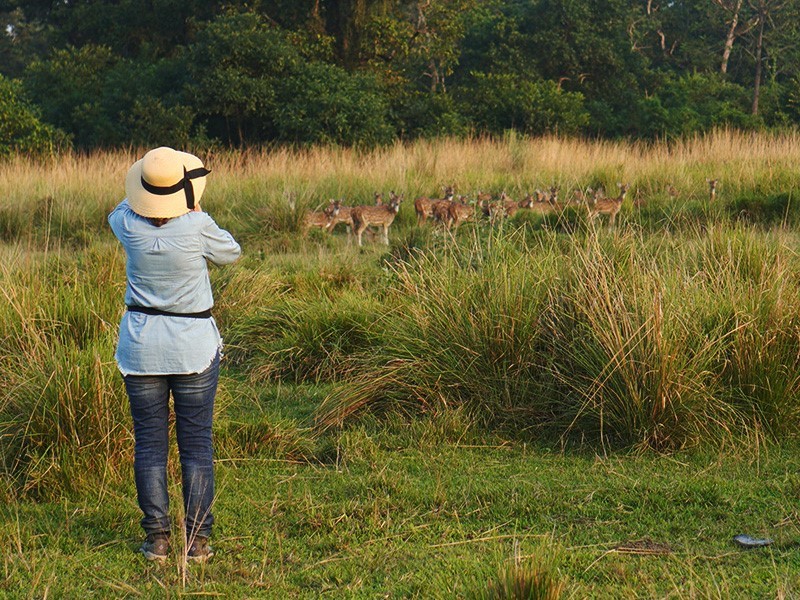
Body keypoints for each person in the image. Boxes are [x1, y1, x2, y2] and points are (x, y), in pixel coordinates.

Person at [108, 147, 241, 562]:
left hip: (141, 347)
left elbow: (123, 207)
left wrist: (153, 195)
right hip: (193, 346)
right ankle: (198, 541)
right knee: (196, 443)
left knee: (149, 445)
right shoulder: (198, 224)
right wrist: (192, 206)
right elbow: (230, 252)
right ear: (183, 194)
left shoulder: (128, 225)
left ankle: (158, 539)